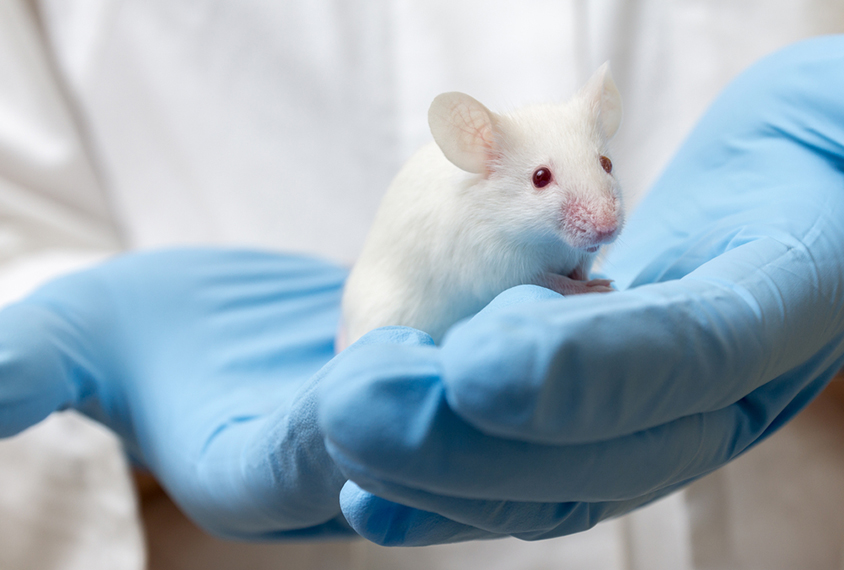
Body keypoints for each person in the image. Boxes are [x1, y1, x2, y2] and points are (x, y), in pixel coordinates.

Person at [1, 1, 844, 569]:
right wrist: (121, 389)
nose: (601, 204)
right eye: (549, 180)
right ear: (476, 151)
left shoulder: (534, 184)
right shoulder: (469, 209)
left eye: (605, 170)